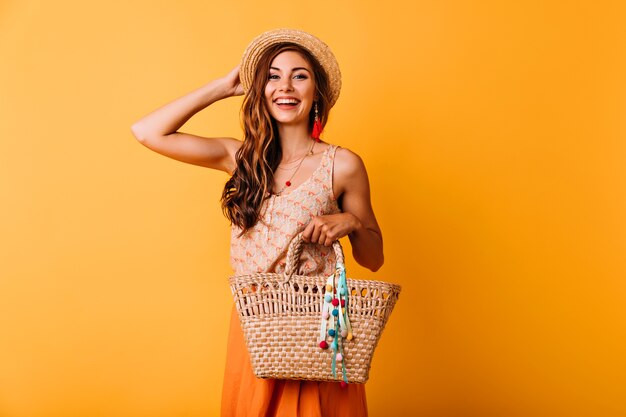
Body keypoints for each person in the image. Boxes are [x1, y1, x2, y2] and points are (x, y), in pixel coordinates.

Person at [130, 28, 383, 417]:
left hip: (318, 326)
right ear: (259, 90)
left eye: (300, 75)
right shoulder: (240, 158)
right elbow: (147, 132)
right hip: (258, 323)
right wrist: (223, 85)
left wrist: (349, 220)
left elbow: (373, 259)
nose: (286, 86)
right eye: (273, 75)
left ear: (317, 92)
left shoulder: (343, 164)